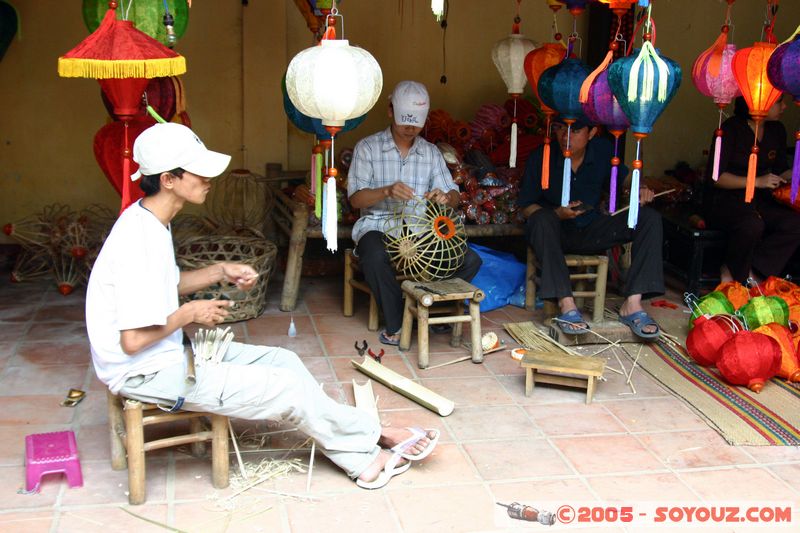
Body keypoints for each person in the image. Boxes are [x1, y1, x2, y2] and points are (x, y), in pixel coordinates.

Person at [85, 122, 439, 490]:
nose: (210, 179)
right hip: (147, 373)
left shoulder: (152, 221)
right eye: (199, 171)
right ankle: (364, 458)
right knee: (285, 390)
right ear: (169, 180)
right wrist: (190, 313)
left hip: (168, 355)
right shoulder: (137, 239)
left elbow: (166, 285)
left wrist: (220, 270)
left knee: (285, 362)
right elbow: (132, 341)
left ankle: (372, 434)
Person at [348, 80, 482, 346]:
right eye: (404, 120)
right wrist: (385, 191)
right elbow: (355, 199)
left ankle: (423, 305)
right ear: (390, 111)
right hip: (379, 225)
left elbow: (453, 194)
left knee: (469, 260)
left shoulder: (431, 153)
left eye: (416, 123)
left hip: (421, 230)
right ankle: (397, 322)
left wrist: (446, 198)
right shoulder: (367, 148)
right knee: (373, 254)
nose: (410, 128)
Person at [517, 117, 664, 339]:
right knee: (541, 219)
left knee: (649, 219)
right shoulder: (543, 155)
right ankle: (567, 306)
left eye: (575, 131)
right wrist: (558, 213)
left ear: (592, 132)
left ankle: (632, 304)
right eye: (561, 129)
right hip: (554, 234)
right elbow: (526, 206)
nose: (566, 137)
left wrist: (640, 188)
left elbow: (623, 178)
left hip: (591, 228)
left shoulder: (603, 150)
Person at [705, 95, 800, 284]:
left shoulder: (777, 129)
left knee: (794, 223)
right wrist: (756, 182)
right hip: (728, 198)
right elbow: (716, 178)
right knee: (752, 224)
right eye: (779, 102)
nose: (784, 107)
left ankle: (755, 271)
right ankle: (731, 270)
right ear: (762, 102)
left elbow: (781, 170)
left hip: (762, 198)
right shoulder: (730, 129)